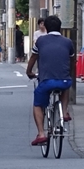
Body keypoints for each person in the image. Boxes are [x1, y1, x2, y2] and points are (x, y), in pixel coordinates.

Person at [25, 15, 76, 146]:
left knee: (38, 104)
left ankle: (41, 134)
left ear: (46, 27)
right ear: (60, 27)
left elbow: (33, 58)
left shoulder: (41, 41)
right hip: (64, 80)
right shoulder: (68, 42)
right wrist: (69, 74)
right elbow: (72, 61)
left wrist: (29, 72)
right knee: (65, 85)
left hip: (46, 81)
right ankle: (64, 112)